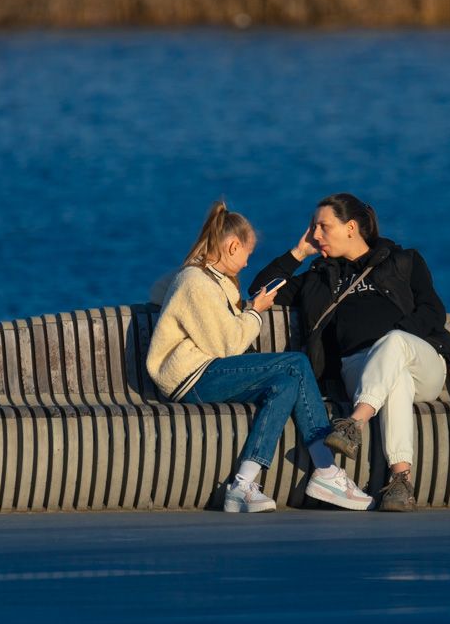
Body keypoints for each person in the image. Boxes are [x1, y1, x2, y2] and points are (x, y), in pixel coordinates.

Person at [145, 201, 373, 513]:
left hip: (206, 373)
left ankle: (243, 483)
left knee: (285, 383)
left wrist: (298, 253)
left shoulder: (212, 279)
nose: (247, 263)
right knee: (295, 364)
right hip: (191, 379)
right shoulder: (195, 281)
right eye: (247, 255)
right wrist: (254, 312)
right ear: (232, 246)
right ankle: (327, 471)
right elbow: (226, 346)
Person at [248, 193, 450, 512]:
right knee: (395, 378)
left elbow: (433, 310)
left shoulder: (403, 261)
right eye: (312, 227)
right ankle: (401, 481)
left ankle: (354, 424)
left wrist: (395, 338)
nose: (316, 234)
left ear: (350, 227)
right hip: (359, 369)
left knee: (393, 345)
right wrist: (299, 251)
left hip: (421, 360)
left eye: (322, 226)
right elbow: (260, 290)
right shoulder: (318, 278)